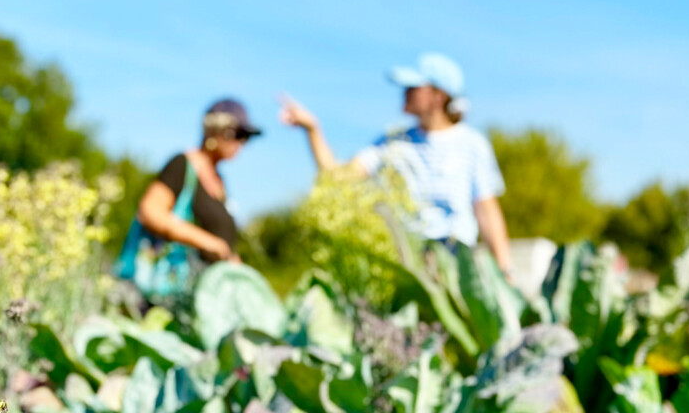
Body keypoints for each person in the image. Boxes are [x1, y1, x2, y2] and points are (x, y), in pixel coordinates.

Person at [281, 53, 512, 273]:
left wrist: (504, 270)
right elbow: (337, 176)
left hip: (455, 259)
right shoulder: (393, 142)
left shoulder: (472, 144)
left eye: (414, 87)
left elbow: (486, 210)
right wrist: (312, 129)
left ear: (438, 96)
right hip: (407, 259)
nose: (405, 92)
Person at [115, 99, 260, 302]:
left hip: (201, 298)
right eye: (238, 134)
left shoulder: (220, 182)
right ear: (214, 130)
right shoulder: (182, 165)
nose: (241, 143)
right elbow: (150, 212)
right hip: (163, 295)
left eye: (246, 137)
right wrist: (207, 242)